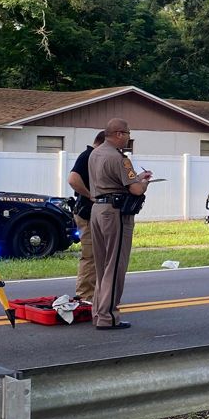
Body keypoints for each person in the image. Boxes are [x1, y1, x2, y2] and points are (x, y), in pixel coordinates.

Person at [88, 118, 152, 330]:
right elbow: (135, 189)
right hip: (115, 213)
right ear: (118, 134)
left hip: (96, 209)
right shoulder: (120, 159)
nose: (128, 138)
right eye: (127, 134)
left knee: (101, 265)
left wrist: (136, 178)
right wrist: (144, 181)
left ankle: (97, 312)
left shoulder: (94, 154)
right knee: (115, 265)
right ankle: (109, 316)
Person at [67, 130, 107, 303]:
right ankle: (85, 296)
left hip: (97, 215)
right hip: (86, 213)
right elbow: (73, 179)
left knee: (100, 255)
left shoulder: (97, 158)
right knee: (90, 255)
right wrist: (90, 195)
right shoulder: (88, 156)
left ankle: (96, 294)